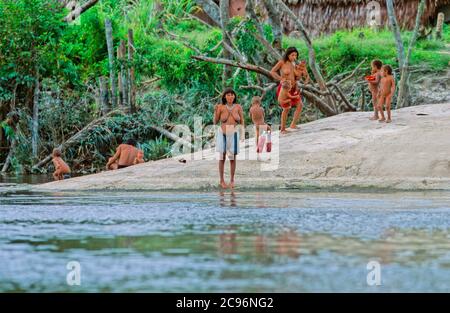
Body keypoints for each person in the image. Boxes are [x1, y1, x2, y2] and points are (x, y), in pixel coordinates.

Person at [271, 47, 310, 133]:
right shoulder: (282, 62)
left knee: (300, 105)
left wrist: (305, 78)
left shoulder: (296, 64)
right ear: (288, 55)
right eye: (292, 55)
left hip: (293, 87)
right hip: (284, 89)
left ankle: (293, 124)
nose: (294, 57)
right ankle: (282, 129)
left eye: (296, 55)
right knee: (286, 108)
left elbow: (303, 75)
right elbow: (272, 72)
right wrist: (281, 79)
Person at [214, 88, 245, 189]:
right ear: (224, 97)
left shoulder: (238, 107)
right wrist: (215, 111)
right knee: (222, 157)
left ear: (234, 96)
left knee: (232, 158)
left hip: (234, 134)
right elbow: (215, 121)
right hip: (222, 133)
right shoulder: (220, 107)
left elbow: (242, 121)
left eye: (232, 95)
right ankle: (222, 180)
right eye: (228, 95)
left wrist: (242, 134)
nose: (230, 97)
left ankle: (232, 180)